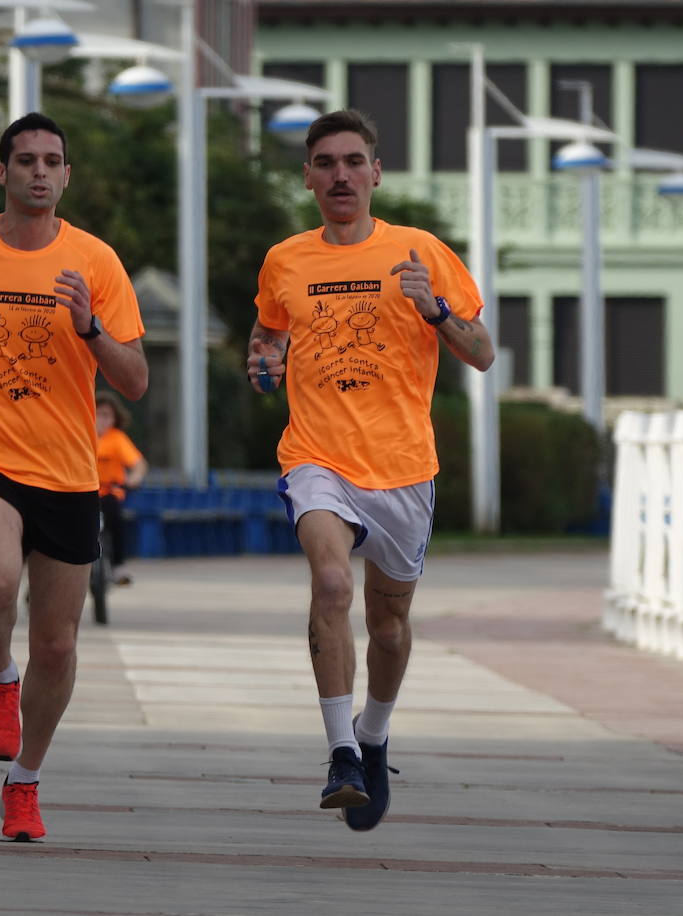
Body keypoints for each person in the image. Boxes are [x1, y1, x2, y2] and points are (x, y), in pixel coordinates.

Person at [0, 112, 147, 842]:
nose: (40, 171)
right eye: (26, 160)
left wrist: (90, 328)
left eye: (53, 161)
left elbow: (133, 381)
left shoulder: (97, 263)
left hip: (69, 473)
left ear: (67, 176)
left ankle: (25, 781)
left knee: (61, 646)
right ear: (2, 173)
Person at [247, 109, 494, 832]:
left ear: (376, 172)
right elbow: (268, 331)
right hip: (316, 458)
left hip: (403, 469)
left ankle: (375, 733)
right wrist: (264, 362)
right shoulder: (286, 259)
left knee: (387, 626)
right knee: (330, 582)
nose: (341, 175)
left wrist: (437, 308)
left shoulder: (419, 251)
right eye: (325, 163)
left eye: (354, 161)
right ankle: (341, 754)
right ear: (308, 178)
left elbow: (480, 351)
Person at [95, 390, 148, 586]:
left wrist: (135, 477)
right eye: (98, 413)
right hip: (83, 492)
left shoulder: (116, 438)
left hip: (109, 492)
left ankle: (118, 566)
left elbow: (138, 464)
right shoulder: (81, 434)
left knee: (116, 519)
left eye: (107, 415)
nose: (102, 420)